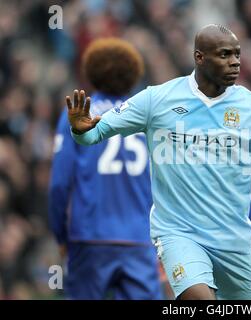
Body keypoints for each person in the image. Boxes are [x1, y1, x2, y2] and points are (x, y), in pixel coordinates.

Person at [65, 25, 251, 300]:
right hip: (178, 233)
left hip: (234, 242)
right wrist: (79, 129)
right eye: (225, 54)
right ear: (199, 58)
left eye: (237, 54)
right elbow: (94, 135)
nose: (235, 62)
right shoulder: (158, 99)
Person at [48, 38, 161, 300]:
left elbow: (58, 185)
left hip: (89, 236)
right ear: (134, 75)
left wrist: (61, 236)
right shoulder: (149, 119)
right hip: (139, 239)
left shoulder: (77, 116)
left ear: (91, 72)